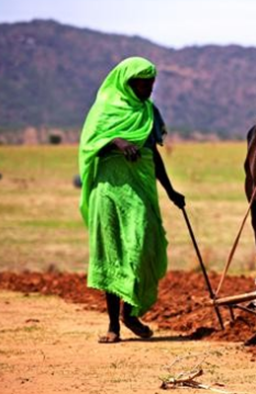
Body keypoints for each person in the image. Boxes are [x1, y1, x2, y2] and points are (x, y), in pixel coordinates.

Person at [78, 57, 185, 343]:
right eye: (144, 83)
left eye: (152, 83)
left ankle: (130, 314)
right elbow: (89, 146)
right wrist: (116, 142)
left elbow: (154, 154)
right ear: (128, 83)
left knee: (140, 248)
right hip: (109, 191)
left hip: (141, 189)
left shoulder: (150, 112)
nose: (150, 88)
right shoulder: (104, 110)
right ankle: (113, 325)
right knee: (112, 253)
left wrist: (171, 190)